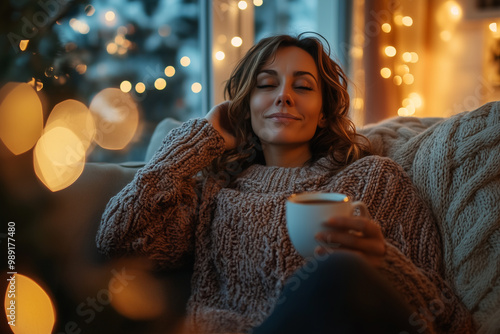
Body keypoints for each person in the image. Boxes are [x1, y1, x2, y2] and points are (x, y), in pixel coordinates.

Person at [96, 33, 475, 333]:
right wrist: (200, 140)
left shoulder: (376, 181)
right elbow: (117, 241)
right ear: (245, 106)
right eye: (266, 84)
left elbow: (448, 321)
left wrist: (383, 263)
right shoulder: (213, 193)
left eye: (304, 87)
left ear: (324, 114)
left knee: (339, 272)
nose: (284, 96)